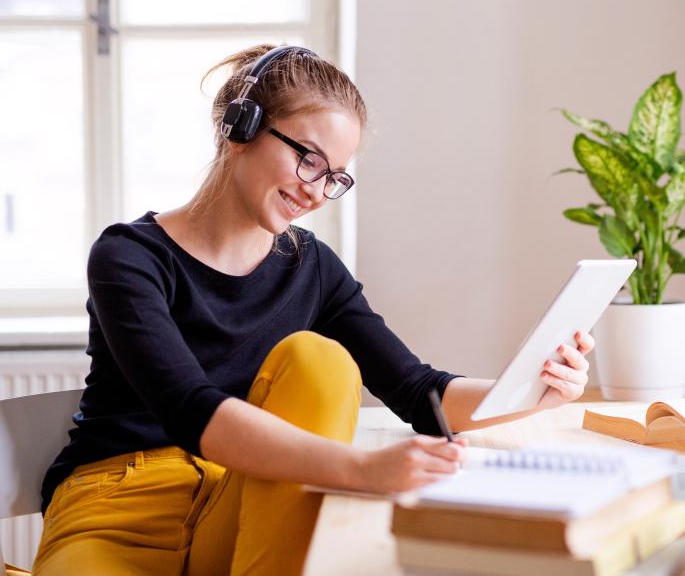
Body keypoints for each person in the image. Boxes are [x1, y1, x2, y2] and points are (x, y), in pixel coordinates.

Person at [30, 45, 593, 576]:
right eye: (308, 159)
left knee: (317, 359)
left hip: (243, 499)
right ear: (239, 128)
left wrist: (532, 389)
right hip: (119, 504)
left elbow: (421, 392)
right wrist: (361, 470)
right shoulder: (130, 255)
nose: (318, 191)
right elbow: (187, 407)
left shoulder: (313, 269)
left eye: (334, 176)